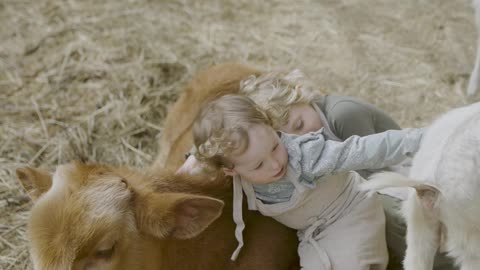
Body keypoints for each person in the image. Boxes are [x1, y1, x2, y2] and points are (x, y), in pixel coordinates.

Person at [190, 94, 424, 270]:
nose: (274, 164)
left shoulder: (306, 155)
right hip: (312, 236)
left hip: (350, 214)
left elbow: (364, 149)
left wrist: (423, 138)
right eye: (258, 165)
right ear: (230, 170)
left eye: (275, 146)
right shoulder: (229, 168)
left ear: (272, 128)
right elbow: (197, 164)